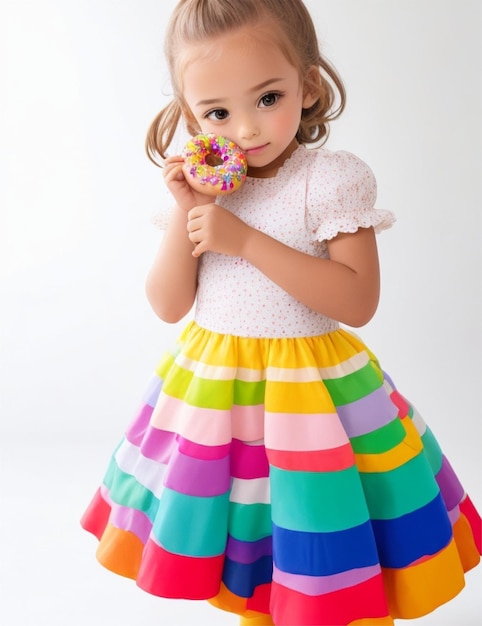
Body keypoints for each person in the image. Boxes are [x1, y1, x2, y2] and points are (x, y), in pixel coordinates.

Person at [81, 1, 481, 624]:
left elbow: (357, 300)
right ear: (193, 117)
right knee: (246, 531)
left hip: (312, 397)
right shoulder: (211, 189)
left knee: (314, 533)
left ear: (309, 83)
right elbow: (167, 304)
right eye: (217, 112)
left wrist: (241, 240)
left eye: (267, 98)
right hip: (217, 396)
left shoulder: (329, 180)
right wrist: (189, 211)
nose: (245, 129)